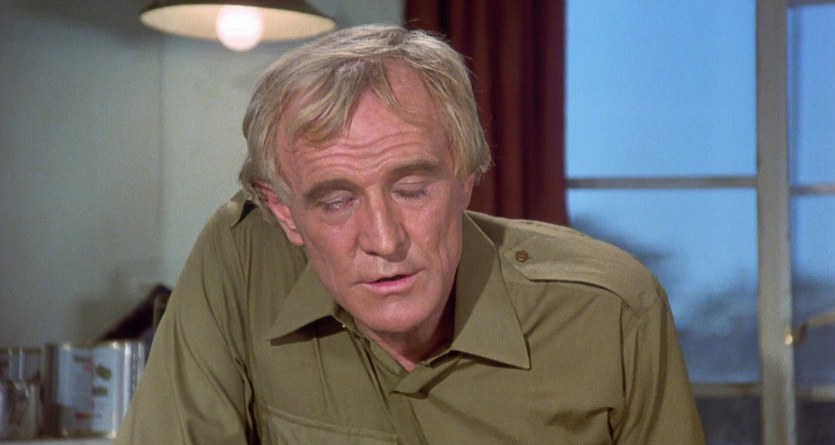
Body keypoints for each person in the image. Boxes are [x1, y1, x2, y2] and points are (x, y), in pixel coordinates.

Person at [115, 24, 705, 444]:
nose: (384, 239)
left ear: (466, 176)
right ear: (284, 211)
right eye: (336, 202)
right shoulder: (241, 257)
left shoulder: (612, 311)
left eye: (412, 189)